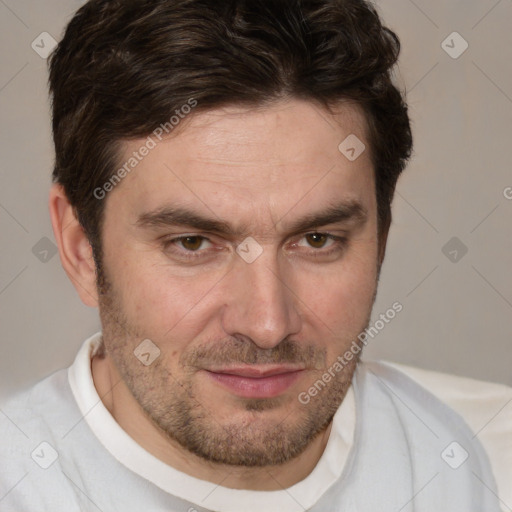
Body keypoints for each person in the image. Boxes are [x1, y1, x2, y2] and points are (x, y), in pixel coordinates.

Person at [0, 0, 510, 510]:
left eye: (317, 240)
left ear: (381, 239)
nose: (267, 324)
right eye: (193, 243)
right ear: (81, 250)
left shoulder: (468, 463)